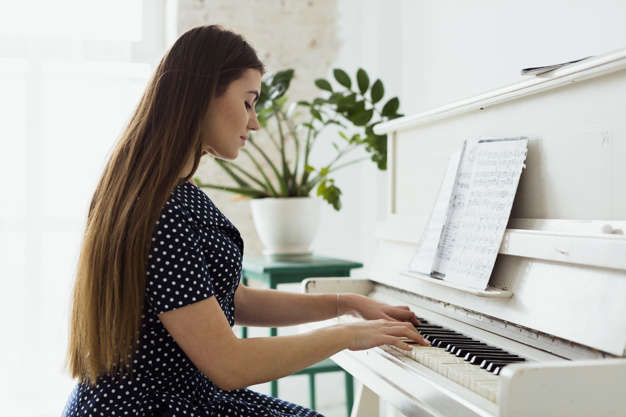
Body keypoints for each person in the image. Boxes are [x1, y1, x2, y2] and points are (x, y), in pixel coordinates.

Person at [62, 25, 429, 417]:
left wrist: (348, 303)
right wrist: (348, 335)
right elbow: (229, 365)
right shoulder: (162, 211)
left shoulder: (170, 194)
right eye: (248, 102)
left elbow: (230, 298)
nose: (254, 123)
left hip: (182, 398)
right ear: (203, 95)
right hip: (150, 408)